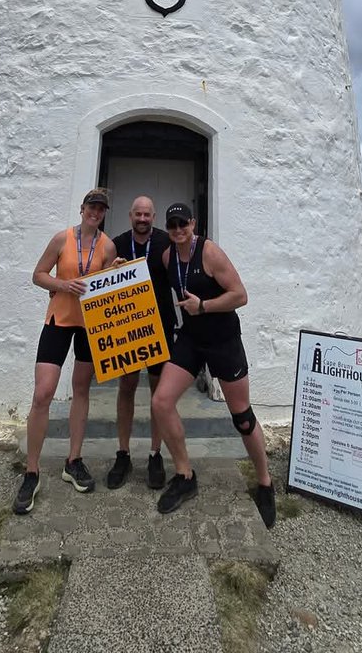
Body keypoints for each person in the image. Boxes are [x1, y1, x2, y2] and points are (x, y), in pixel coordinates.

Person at [150, 202, 276, 528]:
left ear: (193, 223)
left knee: (243, 418)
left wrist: (203, 306)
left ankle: (265, 483)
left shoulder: (209, 253)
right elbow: (146, 283)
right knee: (161, 403)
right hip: (190, 341)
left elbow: (240, 295)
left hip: (223, 341)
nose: (178, 229)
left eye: (183, 223)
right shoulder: (167, 257)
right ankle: (184, 474)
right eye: (172, 224)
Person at [13, 189, 117, 514]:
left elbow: (109, 282)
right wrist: (62, 285)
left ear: (103, 213)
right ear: (82, 208)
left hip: (90, 325)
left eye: (101, 209)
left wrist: (119, 269)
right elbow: (38, 275)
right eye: (92, 207)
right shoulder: (62, 239)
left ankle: (73, 460)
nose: (95, 213)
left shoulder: (107, 245)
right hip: (59, 320)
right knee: (43, 394)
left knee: (81, 390)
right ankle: (32, 471)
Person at [105, 196, 173, 490]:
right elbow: (100, 284)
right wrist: (112, 269)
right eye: (138, 214)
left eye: (147, 214)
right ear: (130, 215)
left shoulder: (167, 242)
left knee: (159, 393)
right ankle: (123, 453)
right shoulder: (117, 244)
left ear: (153, 216)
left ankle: (155, 454)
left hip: (160, 327)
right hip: (128, 329)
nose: (142, 219)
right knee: (127, 387)